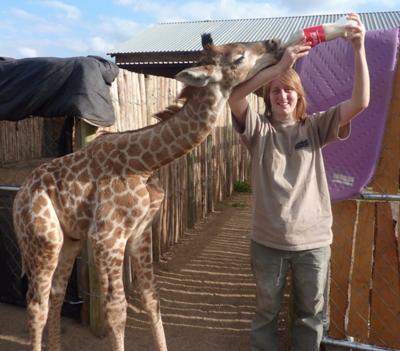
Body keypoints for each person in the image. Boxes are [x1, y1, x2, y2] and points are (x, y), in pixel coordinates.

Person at [228, 13, 369, 351]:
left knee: (310, 315)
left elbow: (361, 102)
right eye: (276, 91)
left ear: (299, 96)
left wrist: (359, 48)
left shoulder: (316, 127)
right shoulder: (258, 131)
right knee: (266, 314)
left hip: (313, 243)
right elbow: (234, 97)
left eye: (289, 90)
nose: (283, 96)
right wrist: (278, 68)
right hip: (267, 243)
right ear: (268, 97)